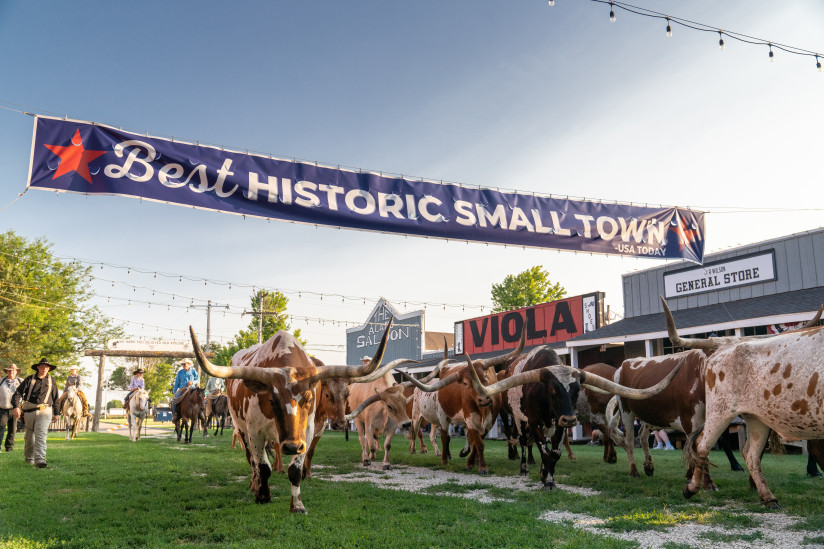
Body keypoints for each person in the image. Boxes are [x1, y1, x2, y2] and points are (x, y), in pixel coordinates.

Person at [11, 358, 60, 468]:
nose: (44, 369)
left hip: (45, 411)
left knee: (40, 434)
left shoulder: (52, 381)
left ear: (49, 369)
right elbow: (17, 394)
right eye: (42, 367)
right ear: (38, 367)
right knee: (29, 437)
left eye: (46, 367)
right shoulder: (29, 379)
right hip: (28, 411)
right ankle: (29, 458)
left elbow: (56, 398)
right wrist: (16, 407)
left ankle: (40, 460)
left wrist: (56, 413)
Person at [0, 364, 22, 452]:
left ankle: (9, 448)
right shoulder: (1, 381)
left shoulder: (21, 381)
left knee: (12, 429)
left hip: (15, 409)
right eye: (9, 371)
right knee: (1, 426)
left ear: (16, 372)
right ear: (7, 372)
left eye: (13, 371)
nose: (11, 372)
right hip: (3, 408)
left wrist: (21, 406)